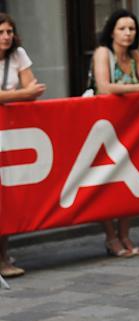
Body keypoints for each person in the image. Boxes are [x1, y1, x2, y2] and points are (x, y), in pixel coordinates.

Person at [92, 9, 139, 258]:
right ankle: (111, 237)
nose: (128, 33)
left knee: (126, 179)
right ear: (111, 31)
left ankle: (125, 234)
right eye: (122, 28)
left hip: (129, 127)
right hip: (102, 127)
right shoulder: (103, 53)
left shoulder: (134, 55)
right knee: (106, 180)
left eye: (131, 29)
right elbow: (104, 86)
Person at [0, 13, 46, 279]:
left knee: (7, 196)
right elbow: (27, 92)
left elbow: (33, 86)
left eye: (9, 31)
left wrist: (16, 96)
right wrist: (21, 95)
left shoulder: (18, 54)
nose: (6, 36)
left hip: (11, 135)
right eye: (1, 32)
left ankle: (4, 254)